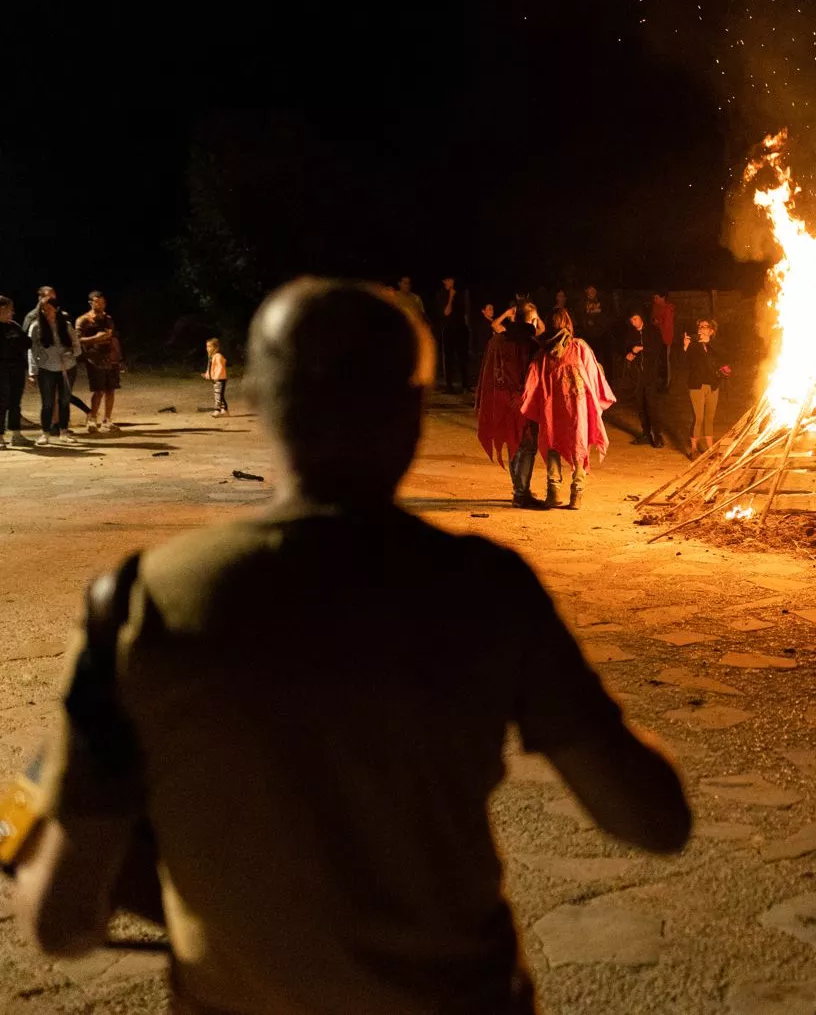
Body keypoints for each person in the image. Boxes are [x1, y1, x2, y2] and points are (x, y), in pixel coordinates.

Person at [13, 276, 692, 1013]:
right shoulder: (485, 590)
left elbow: (61, 922)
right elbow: (653, 818)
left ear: (261, 407)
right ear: (411, 415)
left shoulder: (140, 603)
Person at [522, 308, 616, 509]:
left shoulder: (543, 352)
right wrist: (595, 403)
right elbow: (594, 376)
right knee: (579, 445)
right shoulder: (579, 347)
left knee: (552, 444)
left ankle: (553, 492)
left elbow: (532, 382)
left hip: (553, 409)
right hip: (577, 408)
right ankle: (577, 494)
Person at [476, 295, 545, 508]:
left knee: (513, 441)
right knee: (527, 444)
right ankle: (521, 493)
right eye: (533, 319)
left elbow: (491, 372)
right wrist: (521, 395)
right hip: (522, 401)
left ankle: (519, 489)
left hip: (504, 400)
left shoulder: (498, 340)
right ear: (528, 321)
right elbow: (531, 375)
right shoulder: (529, 344)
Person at [27, 293, 81, 446]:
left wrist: (71, 353)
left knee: (64, 400)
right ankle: (45, 433)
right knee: (48, 402)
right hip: (46, 368)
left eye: (49, 309)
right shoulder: (36, 326)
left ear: (56, 309)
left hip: (67, 367)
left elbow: (77, 346)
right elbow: (32, 350)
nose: (46, 312)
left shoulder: (66, 325)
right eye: (43, 309)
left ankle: (64, 431)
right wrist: (33, 372)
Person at [681, 318, 730, 457]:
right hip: (697, 385)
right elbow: (685, 364)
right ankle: (694, 449)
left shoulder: (715, 345)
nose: (701, 328)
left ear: (711, 330)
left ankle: (710, 448)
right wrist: (685, 347)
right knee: (699, 418)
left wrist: (710, 344)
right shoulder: (693, 345)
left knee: (710, 417)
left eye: (705, 326)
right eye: (700, 326)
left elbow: (725, 356)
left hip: (713, 385)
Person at [75, 290, 122, 433]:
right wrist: (96, 339)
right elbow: (77, 340)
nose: (100, 305)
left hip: (110, 358)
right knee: (99, 390)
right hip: (94, 359)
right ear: (91, 303)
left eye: (103, 302)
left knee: (111, 389)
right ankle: (92, 419)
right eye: (97, 302)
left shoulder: (108, 319)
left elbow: (113, 338)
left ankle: (107, 419)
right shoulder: (84, 320)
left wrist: (119, 357)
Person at [622, 309, 665, 447]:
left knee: (652, 405)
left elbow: (658, 349)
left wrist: (642, 349)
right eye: (631, 320)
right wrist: (630, 354)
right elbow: (627, 350)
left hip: (650, 374)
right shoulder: (630, 334)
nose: (633, 322)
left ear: (641, 317)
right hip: (637, 376)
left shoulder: (653, 331)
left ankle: (657, 435)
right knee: (641, 406)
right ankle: (646, 434)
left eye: (635, 318)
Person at [431, 276, 471, 394]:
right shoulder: (441, 294)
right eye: (449, 280)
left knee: (463, 358)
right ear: (444, 281)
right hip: (448, 329)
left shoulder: (460, 294)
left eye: (452, 280)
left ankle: (465, 385)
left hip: (461, 329)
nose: (451, 282)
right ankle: (449, 386)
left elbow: (465, 312)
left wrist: (467, 328)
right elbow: (446, 312)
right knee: (448, 359)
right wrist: (450, 297)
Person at [1, 296, 29, 448]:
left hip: (16, 369)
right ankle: (0, 436)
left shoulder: (14, 326)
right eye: (10, 309)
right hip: (2, 370)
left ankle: (16, 434)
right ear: (2, 308)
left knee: (15, 402)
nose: (12, 313)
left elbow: (27, 343)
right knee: (1, 402)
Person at [467, 298, 496, 393]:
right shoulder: (482, 324)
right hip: (484, 351)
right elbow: (481, 339)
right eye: (489, 309)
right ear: (483, 311)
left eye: (492, 309)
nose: (491, 311)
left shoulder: (494, 322)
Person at [650, 291, 675, 391]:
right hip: (656, 339)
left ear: (663, 297)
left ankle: (666, 384)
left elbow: (667, 326)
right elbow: (652, 320)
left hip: (665, 340)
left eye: (656, 297)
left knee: (665, 362)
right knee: (658, 362)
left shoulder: (668, 309)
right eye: (654, 298)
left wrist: (658, 323)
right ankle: (659, 382)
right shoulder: (656, 307)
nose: (654, 300)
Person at [204, 337, 229, 417]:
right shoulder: (211, 356)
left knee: (218, 395)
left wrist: (217, 376)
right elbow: (210, 367)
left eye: (209, 346)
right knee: (219, 394)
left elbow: (220, 367)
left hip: (220, 378)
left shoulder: (218, 356)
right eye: (207, 346)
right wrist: (208, 374)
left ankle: (217, 410)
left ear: (215, 347)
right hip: (216, 379)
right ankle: (224, 409)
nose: (207, 348)